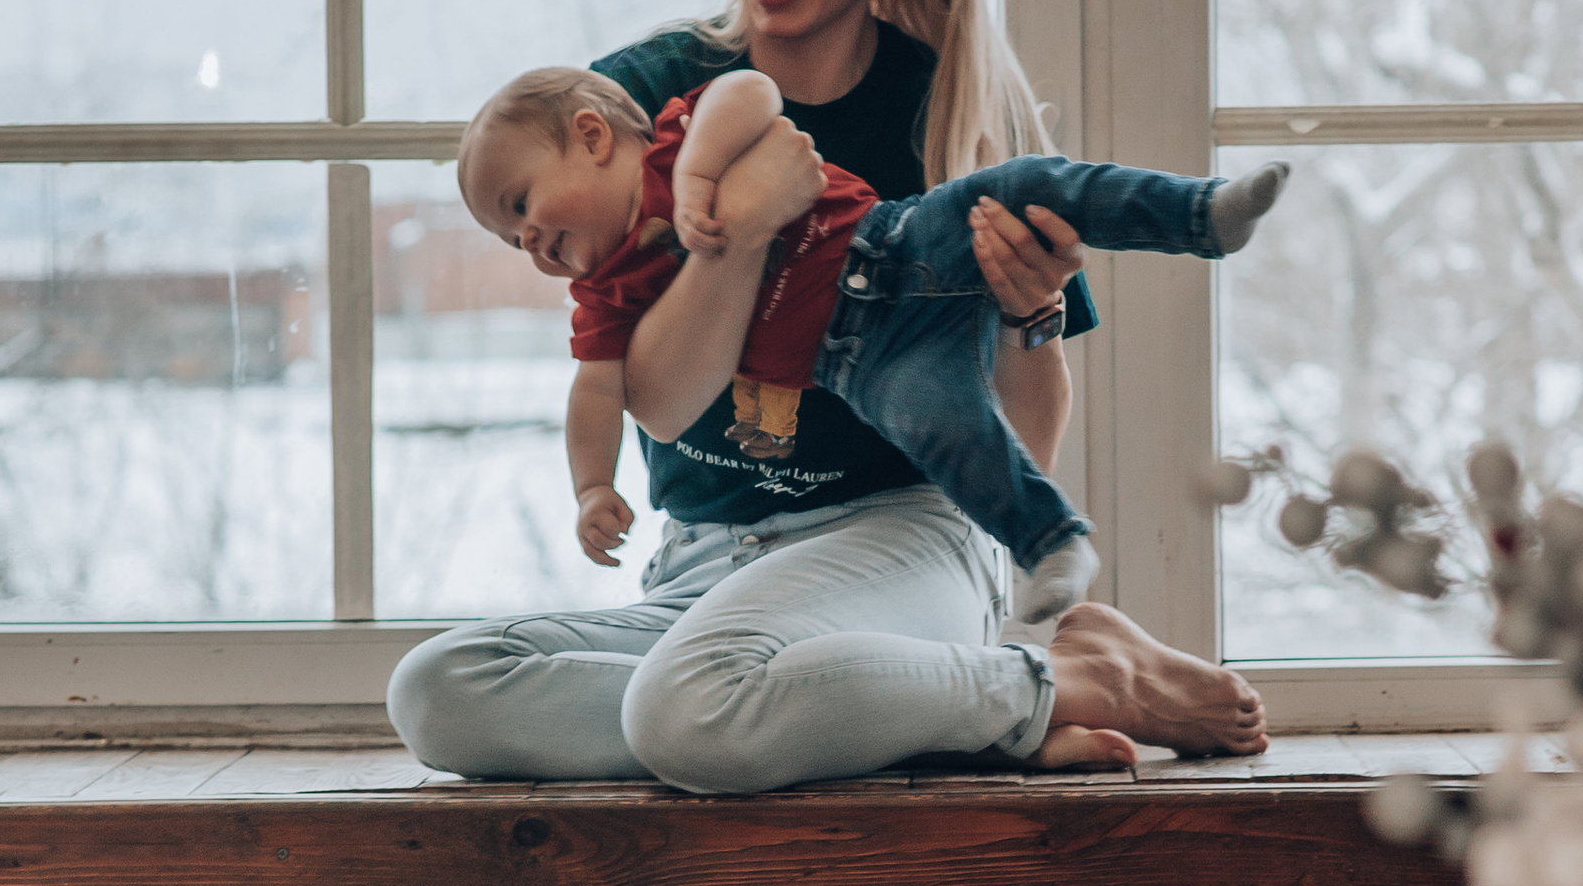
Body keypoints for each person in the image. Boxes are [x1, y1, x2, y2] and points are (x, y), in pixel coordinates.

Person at [387, 0, 1269, 788]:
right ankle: (961, 695)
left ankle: (1033, 688)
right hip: (705, 562)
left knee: (686, 719)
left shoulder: (957, 112)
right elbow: (661, 402)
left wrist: (1030, 320)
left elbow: (1014, 440)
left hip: (902, 544)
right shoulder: (646, 95)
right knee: (442, 692)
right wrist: (745, 229)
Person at [454, 54, 1289, 629]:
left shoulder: (675, 140)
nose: (526, 241)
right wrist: (591, 486)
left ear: (596, 137)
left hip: (901, 244)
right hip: (863, 363)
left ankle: (1202, 214)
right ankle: (1053, 544)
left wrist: (703, 176)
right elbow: (602, 393)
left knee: (1031, 187)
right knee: (947, 425)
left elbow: (748, 92)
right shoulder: (606, 292)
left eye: (522, 205)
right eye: (506, 238)